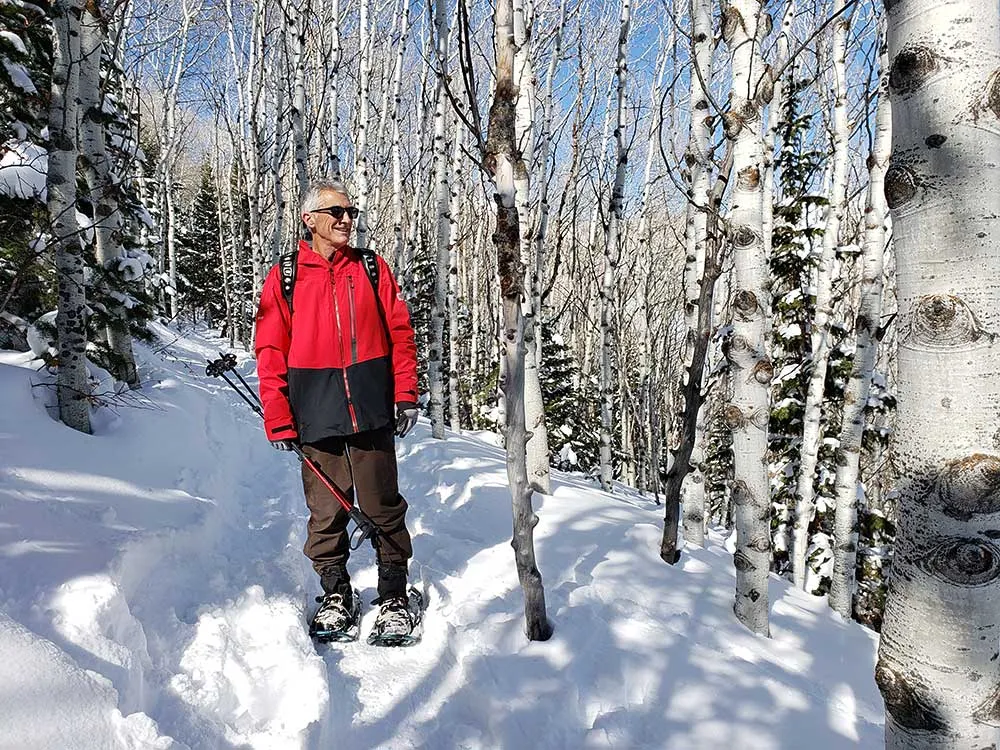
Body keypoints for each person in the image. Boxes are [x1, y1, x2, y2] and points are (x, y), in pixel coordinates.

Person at [254, 178, 420, 641]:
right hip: (314, 409)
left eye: (350, 212)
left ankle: (392, 597)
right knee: (326, 509)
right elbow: (269, 349)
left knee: (381, 504)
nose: (346, 219)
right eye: (336, 212)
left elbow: (401, 334)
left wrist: (405, 392)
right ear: (310, 220)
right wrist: (278, 414)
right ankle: (335, 592)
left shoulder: (370, 268)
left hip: (370, 406)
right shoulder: (286, 276)